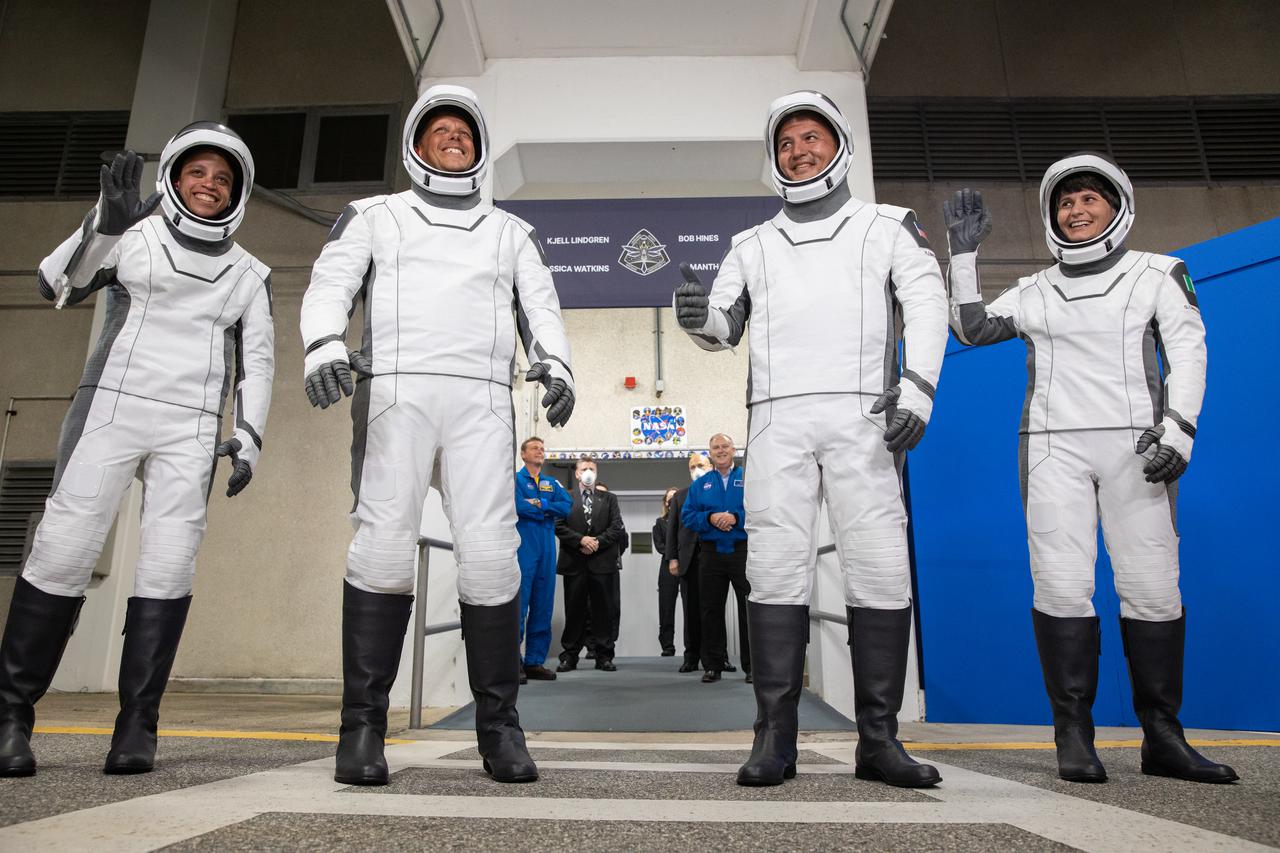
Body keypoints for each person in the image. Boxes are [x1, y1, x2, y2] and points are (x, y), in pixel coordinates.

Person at [301, 84, 574, 786]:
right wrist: (324, 343)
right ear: (417, 144)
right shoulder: (373, 215)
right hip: (394, 393)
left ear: (478, 147)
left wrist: (558, 364)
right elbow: (331, 282)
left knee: (490, 558)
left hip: (483, 403)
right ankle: (362, 727)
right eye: (439, 129)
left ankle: (500, 728)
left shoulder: (510, 231)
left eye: (464, 131)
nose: (452, 137)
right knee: (383, 549)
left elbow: (540, 303)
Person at [675, 91, 947, 788]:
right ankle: (775, 739)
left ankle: (879, 740)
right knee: (775, 573)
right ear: (775, 160)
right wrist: (696, 317)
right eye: (786, 143)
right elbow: (724, 328)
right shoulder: (750, 245)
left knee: (880, 566)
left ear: (838, 144)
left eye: (810, 137)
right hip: (777, 421)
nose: (799, 150)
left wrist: (917, 387)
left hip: (866, 417)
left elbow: (925, 301)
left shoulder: (888, 226)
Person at [943, 153, 1237, 785]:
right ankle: (1073, 736)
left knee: (1155, 589)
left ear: (1117, 207)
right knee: (1060, 586)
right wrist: (962, 257)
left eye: (1088, 200)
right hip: (1053, 451)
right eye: (1064, 202)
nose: (1075, 211)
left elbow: (1189, 350)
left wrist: (1180, 430)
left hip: (1140, 451)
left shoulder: (1159, 273)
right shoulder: (1035, 287)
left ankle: (1163, 736)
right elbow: (969, 328)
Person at [0, 124, 274, 777]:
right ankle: (10, 714)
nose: (209, 184)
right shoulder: (131, 229)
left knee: (168, 566)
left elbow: (258, 364)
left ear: (238, 192)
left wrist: (251, 437)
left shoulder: (249, 272)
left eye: (223, 178)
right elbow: (53, 283)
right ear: (175, 176)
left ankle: (136, 726)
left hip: (192, 428)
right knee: (64, 547)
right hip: (112, 408)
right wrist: (104, 225)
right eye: (198, 172)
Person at [680, 434, 751, 684]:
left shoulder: (748, 477)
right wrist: (710, 518)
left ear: (734, 450)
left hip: (742, 551)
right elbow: (688, 516)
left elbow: (760, 507)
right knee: (710, 610)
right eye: (715, 448)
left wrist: (735, 518)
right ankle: (713, 665)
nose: (720, 451)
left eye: (725, 447)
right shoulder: (700, 485)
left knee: (749, 610)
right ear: (710, 453)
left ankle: (752, 667)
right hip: (710, 553)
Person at [555, 458, 624, 672]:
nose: (587, 472)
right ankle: (570, 655)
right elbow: (558, 525)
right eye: (583, 469)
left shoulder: (609, 499)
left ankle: (604, 656)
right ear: (576, 474)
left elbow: (616, 527)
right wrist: (580, 540)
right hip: (574, 563)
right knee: (574, 610)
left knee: (603, 611)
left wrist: (596, 542)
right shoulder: (565, 498)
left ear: (596, 472)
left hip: (602, 563)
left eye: (591, 469)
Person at [514, 437, 571, 683]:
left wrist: (540, 503)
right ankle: (512, 661)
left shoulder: (550, 482)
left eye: (542, 448)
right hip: (525, 545)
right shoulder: (515, 480)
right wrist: (546, 509)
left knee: (543, 603)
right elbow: (516, 506)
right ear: (523, 454)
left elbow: (566, 506)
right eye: (535, 448)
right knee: (520, 604)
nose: (540, 451)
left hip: (547, 546)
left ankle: (535, 661)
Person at [666, 452, 714, 672]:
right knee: (691, 611)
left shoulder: (720, 492)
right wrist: (672, 558)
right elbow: (672, 531)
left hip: (715, 558)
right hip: (688, 560)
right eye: (692, 466)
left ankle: (716, 657)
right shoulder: (680, 497)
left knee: (713, 610)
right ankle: (691, 657)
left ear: (711, 466)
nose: (696, 469)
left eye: (701, 465)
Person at [653, 487, 681, 655]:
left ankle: (694, 646)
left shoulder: (687, 521)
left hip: (687, 565)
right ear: (665, 503)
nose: (672, 503)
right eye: (669, 500)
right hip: (667, 566)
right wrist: (675, 555)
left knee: (692, 606)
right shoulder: (660, 523)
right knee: (666, 607)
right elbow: (660, 546)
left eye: (675, 499)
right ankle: (667, 646)